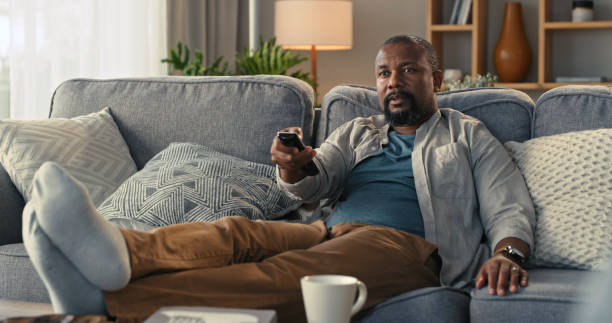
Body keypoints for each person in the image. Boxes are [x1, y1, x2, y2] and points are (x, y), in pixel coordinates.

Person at [23, 35, 535, 322]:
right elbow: (318, 178)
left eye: (408, 71)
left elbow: (508, 204)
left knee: (285, 276)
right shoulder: (358, 129)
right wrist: (295, 165)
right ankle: (121, 253)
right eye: (383, 73)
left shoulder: (468, 135)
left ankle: (111, 305)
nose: (393, 81)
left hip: (408, 251)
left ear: (435, 80)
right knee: (234, 232)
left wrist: (507, 253)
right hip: (329, 231)